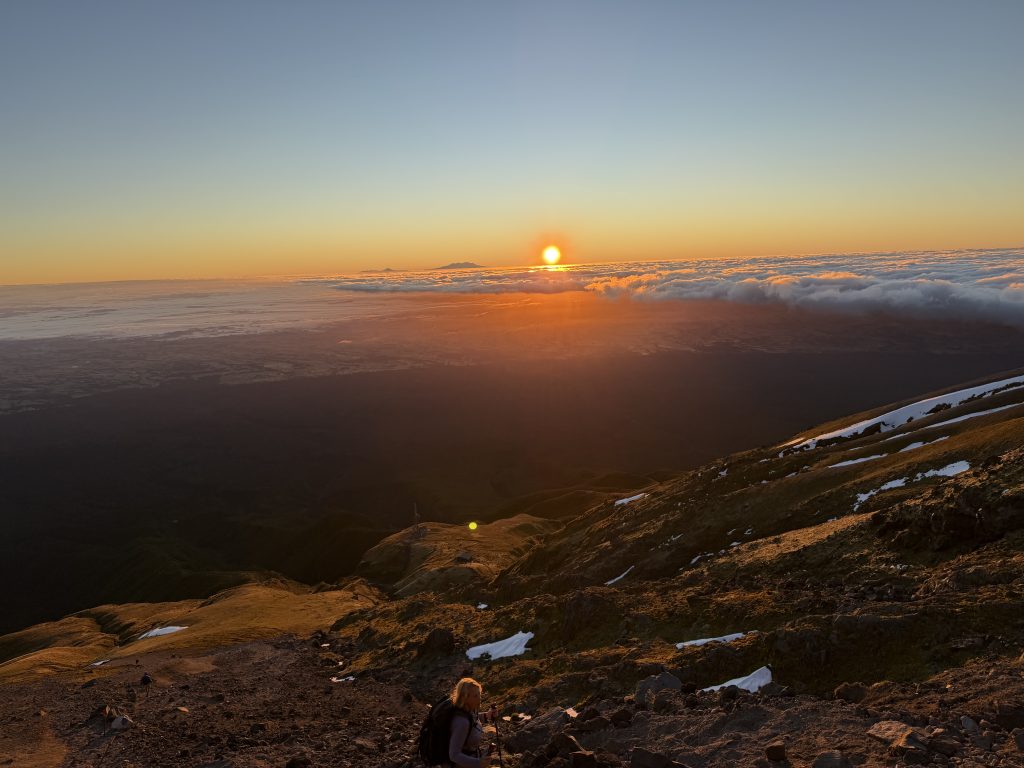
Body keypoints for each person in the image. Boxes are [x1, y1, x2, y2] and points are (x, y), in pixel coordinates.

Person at [446, 677, 497, 768]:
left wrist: (487, 715)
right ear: (465, 697)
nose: (479, 699)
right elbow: (454, 755)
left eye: (479, 694)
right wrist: (478, 763)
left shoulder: (468, 711)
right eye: (475, 696)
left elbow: (473, 721)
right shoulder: (462, 722)